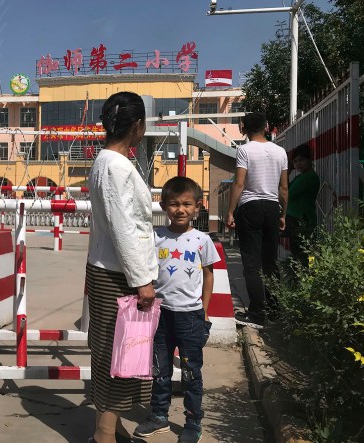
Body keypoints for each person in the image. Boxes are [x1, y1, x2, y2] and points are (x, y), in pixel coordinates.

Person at [86, 91, 158, 443]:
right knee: (120, 358)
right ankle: (103, 434)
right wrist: (142, 280)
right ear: (138, 125)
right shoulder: (116, 166)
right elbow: (123, 228)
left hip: (108, 270)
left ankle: (111, 426)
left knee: (109, 353)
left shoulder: (105, 161)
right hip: (119, 276)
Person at [133, 177, 219, 443]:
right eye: (173, 204)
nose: (180, 209)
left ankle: (193, 422)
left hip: (191, 316)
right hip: (160, 314)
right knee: (160, 369)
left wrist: (204, 312)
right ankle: (159, 415)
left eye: (186, 204)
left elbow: (208, 276)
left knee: (191, 371)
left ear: (197, 207)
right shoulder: (155, 237)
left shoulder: (202, 240)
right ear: (163, 206)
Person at [225, 112, 288, 330]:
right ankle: (274, 310)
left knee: (252, 264)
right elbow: (283, 188)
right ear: (267, 126)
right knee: (269, 261)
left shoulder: (244, 150)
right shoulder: (280, 151)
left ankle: (256, 314)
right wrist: (282, 214)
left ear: (243, 127)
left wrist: (231, 211)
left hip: (250, 207)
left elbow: (239, 184)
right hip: (272, 207)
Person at [285, 144, 320, 266]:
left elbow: (287, 194)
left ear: (309, 159)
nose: (298, 164)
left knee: (301, 254)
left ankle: (304, 280)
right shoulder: (301, 177)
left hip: (301, 220)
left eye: (301, 160)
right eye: (295, 161)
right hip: (297, 220)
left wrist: (287, 171)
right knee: (299, 253)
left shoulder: (309, 177)